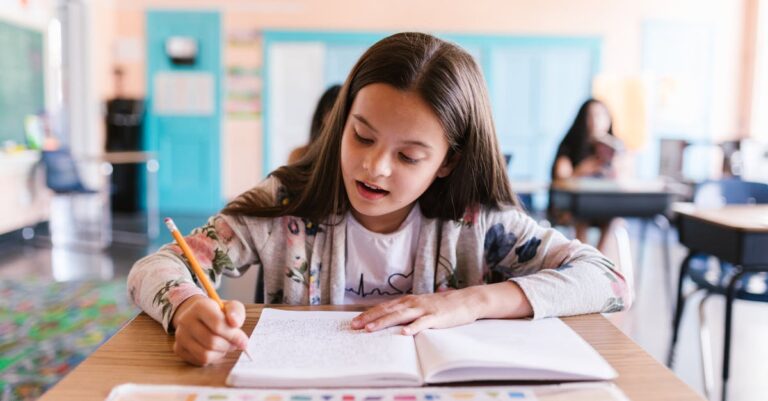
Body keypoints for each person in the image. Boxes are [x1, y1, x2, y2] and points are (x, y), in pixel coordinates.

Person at [128, 33, 631, 367]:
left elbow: (610, 280)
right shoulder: (288, 203)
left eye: (409, 156)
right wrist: (188, 307)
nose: (374, 167)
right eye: (362, 137)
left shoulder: (477, 220)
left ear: (448, 161)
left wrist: (469, 302)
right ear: (341, 121)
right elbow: (154, 268)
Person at [550, 98, 624, 251]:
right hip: (572, 208)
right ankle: (584, 260)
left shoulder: (615, 149)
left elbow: (624, 180)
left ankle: (598, 259)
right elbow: (561, 177)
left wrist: (617, 165)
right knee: (582, 213)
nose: (597, 121)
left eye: (602, 115)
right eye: (592, 115)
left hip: (603, 208)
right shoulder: (570, 146)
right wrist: (583, 169)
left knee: (612, 216)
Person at [287, 84, 342, 164]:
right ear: (324, 116)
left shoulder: (346, 158)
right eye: (334, 112)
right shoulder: (299, 155)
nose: (340, 120)